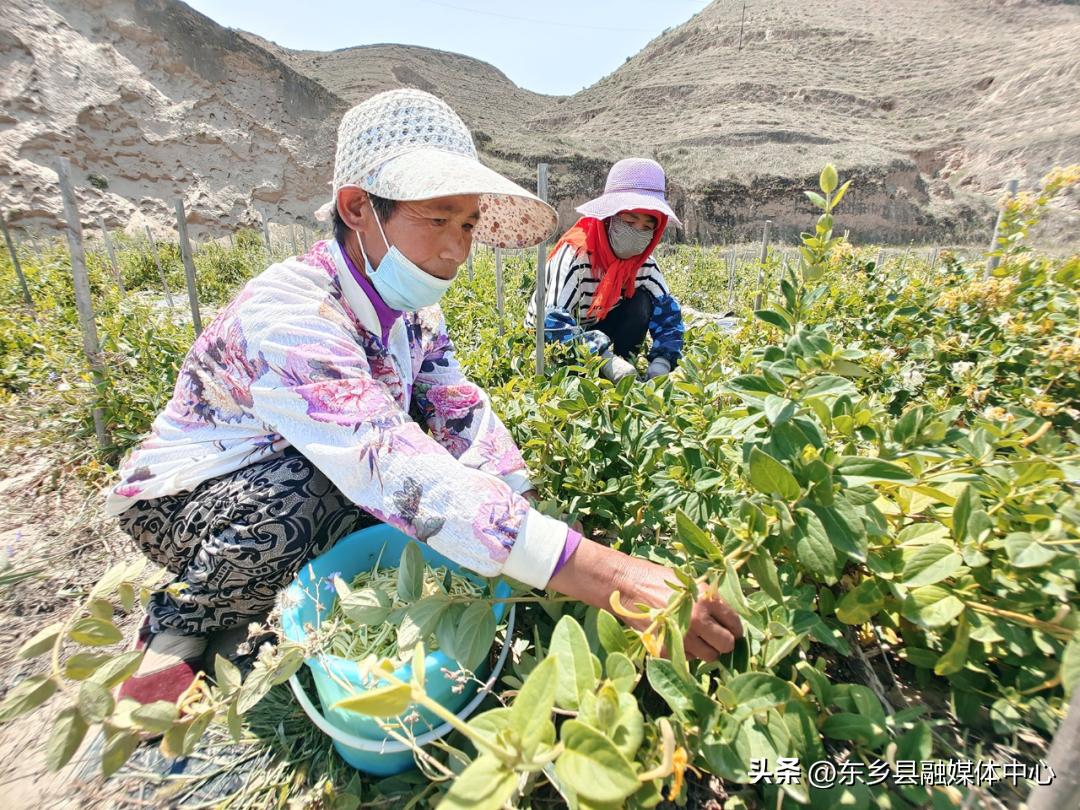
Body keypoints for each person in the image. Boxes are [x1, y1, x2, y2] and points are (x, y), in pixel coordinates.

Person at [105, 89, 741, 706]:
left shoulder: (410, 311)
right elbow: (382, 458)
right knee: (329, 483)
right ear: (358, 208)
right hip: (192, 500)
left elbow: (456, 407)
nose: (457, 247)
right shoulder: (292, 311)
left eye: (467, 223)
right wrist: (606, 575)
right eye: (437, 219)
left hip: (304, 469)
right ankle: (185, 616)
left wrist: (531, 513)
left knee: (415, 479)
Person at [526, 158, 685, 382]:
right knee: (562, 361)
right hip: (550, 338)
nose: (637, 233)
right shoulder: (577, 256)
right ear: (609, 219)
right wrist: (604, 359)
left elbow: (667, 312)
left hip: (597, 326)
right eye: (630, 222)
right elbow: (551, 323)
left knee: (641, 302)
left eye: (647, 227)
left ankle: (621, 362)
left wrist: (663, 361)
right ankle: (605, 366)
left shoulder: (643, 263)